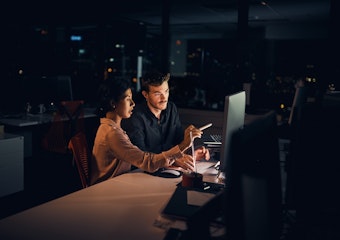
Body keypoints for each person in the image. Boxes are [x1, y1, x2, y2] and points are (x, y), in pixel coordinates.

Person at [90, 77, 202, 185]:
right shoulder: (112, 133)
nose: (133, 103)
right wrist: (183, 146)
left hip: (119, 183)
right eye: (128, 99)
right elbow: (147, 162)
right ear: (113, 103)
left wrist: (190, 151)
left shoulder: (114, 128)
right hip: (105, 190)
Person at [121, 70, 210, 176]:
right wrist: (175, 159)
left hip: (169, 171)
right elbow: (142, 157)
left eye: (166, 91)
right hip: (142, 174)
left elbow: (179, 143)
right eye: (157, 94)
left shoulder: (171, 108)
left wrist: (191, 153)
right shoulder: (135, 117)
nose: (164, 98)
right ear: (145, 95)